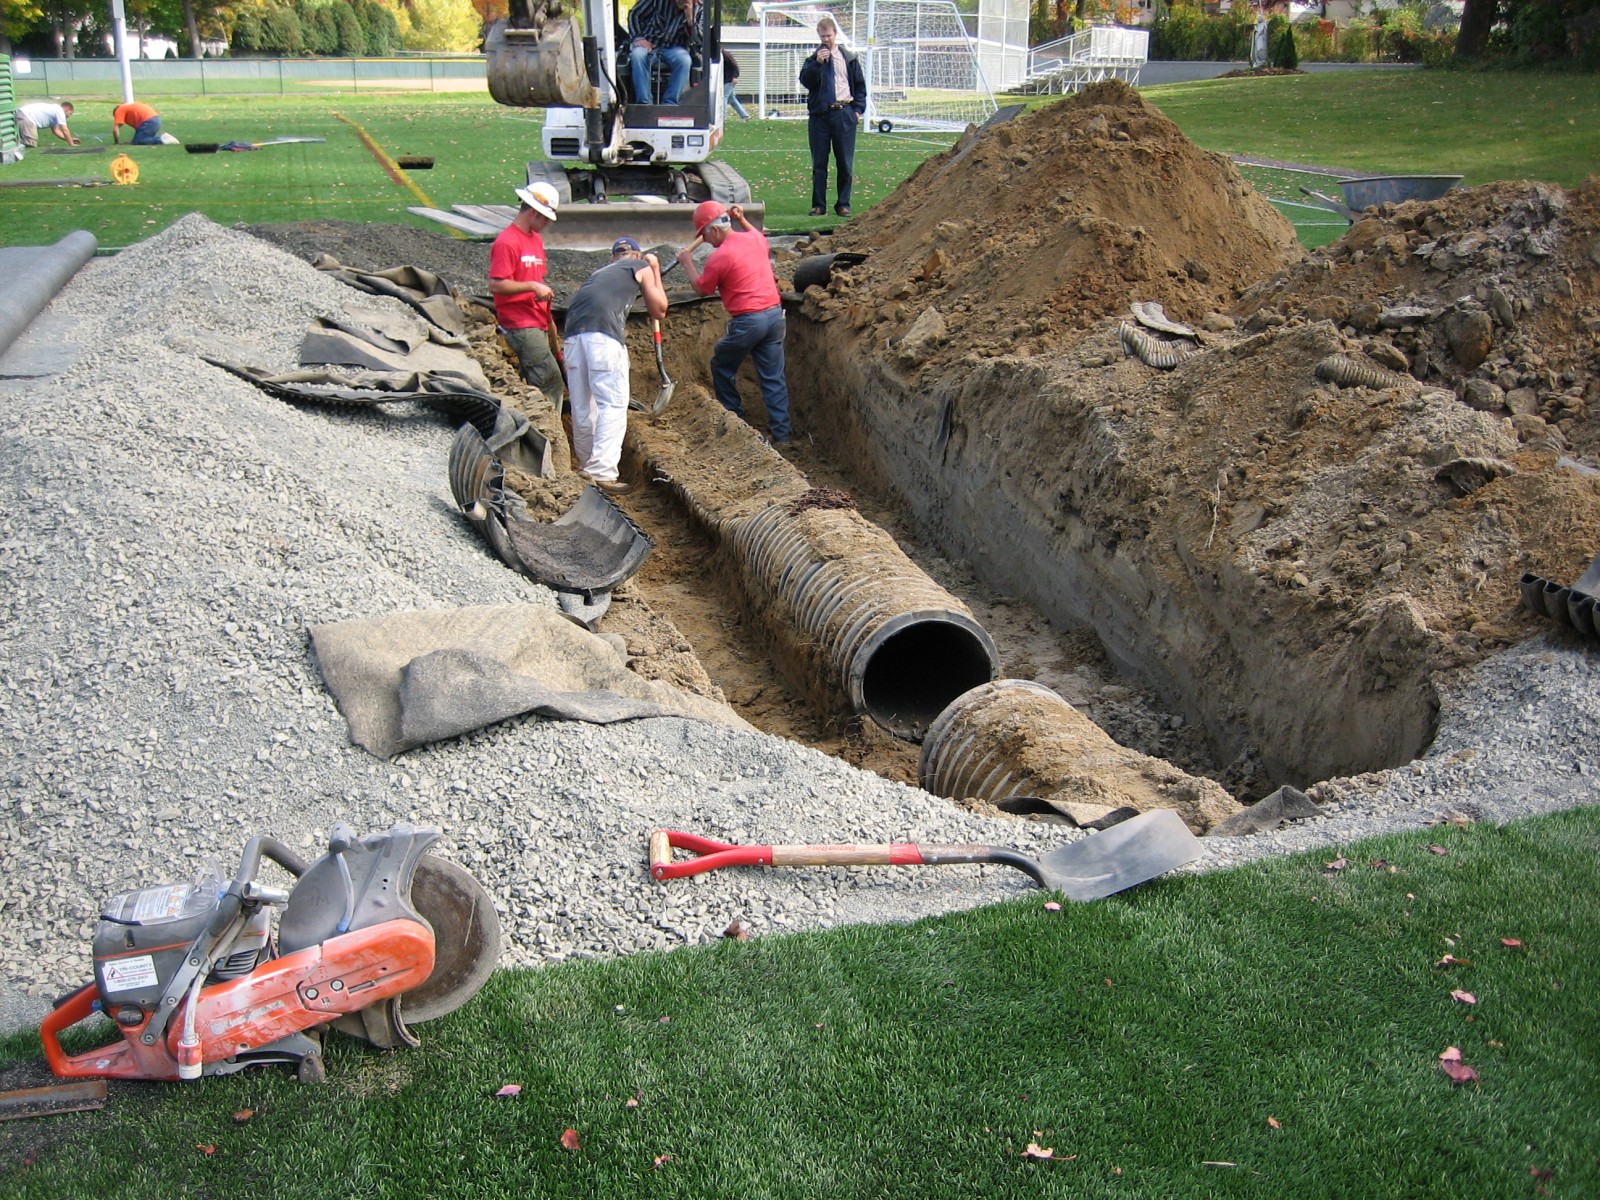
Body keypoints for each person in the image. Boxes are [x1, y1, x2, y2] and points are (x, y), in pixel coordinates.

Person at [674, 201, 791, 444]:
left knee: (721, 365)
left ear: (714, 230)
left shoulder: (720, 257)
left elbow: (701, 289)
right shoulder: (756, 239)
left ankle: (735, 422)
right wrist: (742, 218)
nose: (705, 240)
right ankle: (783, 435)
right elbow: (753, 232)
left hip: (749, 321)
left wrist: (687, 262)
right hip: (774, 316)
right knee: (773, 377)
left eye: (705, 235)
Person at [561, 236, 670, 494]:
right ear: (637, 255)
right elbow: (660, 309)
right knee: (612, 404)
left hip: (573, 336)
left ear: (613, 257)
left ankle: (588, 468)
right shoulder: (638, 266)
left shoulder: (600, 273)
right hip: (603, 338)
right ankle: (601, 472)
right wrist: (654, 268)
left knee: (583, 406)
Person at [489, 182, 566, 409]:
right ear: (533, 211)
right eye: (545, 218)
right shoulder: (507, 242)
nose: (547, 223)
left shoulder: (535, 240)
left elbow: (535, 279)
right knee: (550, 381)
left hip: (538, 319)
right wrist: (532, 286)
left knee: (538, 379)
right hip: (519, 323)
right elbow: (496, 285)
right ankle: (550, 436)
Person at [798, 15, 866, 217]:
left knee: (845, 162)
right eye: (822, 36)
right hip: (820, 116)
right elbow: (807, 82)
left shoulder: (849, 58)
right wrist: (818, 64)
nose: (826, 39)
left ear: (835, 34)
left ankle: (843, 204)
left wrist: (857, 110)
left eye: (828, 35)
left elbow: (860, 85)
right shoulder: (813, 60)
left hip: (844, 113)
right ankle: (819, 205)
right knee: (819, 163)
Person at [628, 0, 698, 105]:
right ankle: (644, 103)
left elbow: (699, 41)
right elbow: (634, 14)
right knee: (637, 55)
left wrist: (690, 21)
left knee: (685, 60)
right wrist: (639, 38)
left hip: (675, 47)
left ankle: (670, 103)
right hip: (650, 43)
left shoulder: (699, 8)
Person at [722, 51, 750, 121]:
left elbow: (734, 66)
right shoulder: (722, 55)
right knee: (732, 99)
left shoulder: (724, 55)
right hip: (727, 79)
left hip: (729, 80)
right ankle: (744, 115)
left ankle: (723, 117)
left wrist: (735, 76)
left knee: (724, 97)